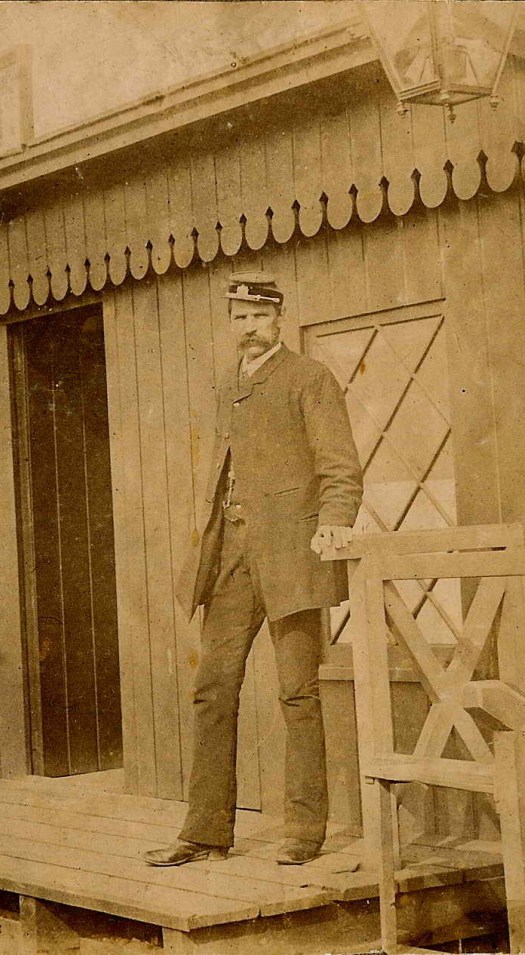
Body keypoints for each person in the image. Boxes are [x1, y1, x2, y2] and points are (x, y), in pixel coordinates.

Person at [143, 271, 363, 867]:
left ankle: (303, 832)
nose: (248, 329)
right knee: (213, 689)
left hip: (293, 556)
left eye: (258, 318)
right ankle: (205, 831)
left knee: (299, 693)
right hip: (233, 560)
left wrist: (335, 521)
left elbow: (340, 466)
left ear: (279, 320)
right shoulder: (226, 386)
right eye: (238, 319)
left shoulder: (309, 379)